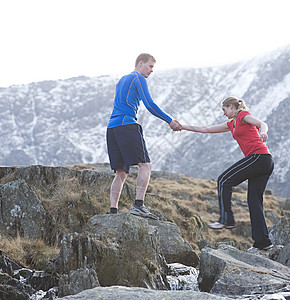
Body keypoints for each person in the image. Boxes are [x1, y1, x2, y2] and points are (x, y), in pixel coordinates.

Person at [180, 96, 274, 250]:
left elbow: (262, 123)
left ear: (231, 107)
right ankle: (263, 242)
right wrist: (183, 127)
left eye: (224, 110)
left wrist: (263, 132)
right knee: (254, 201)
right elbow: (207, 129)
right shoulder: (232, 124)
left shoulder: (243, 115)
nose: (223, 113)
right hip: (264, 161)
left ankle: (226, 219)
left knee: (224, 180)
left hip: (259, 157)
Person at [106, 53, 181, 219]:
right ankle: (138, 205)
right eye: (150, 66)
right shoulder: (138, 79)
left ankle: (113, 211)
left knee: (121, 172)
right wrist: (170, 121)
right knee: (145, 165)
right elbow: (149, 104)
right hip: (127, 124)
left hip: (112, 128)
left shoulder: (121, 81)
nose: (152, 71)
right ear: (141, 63)